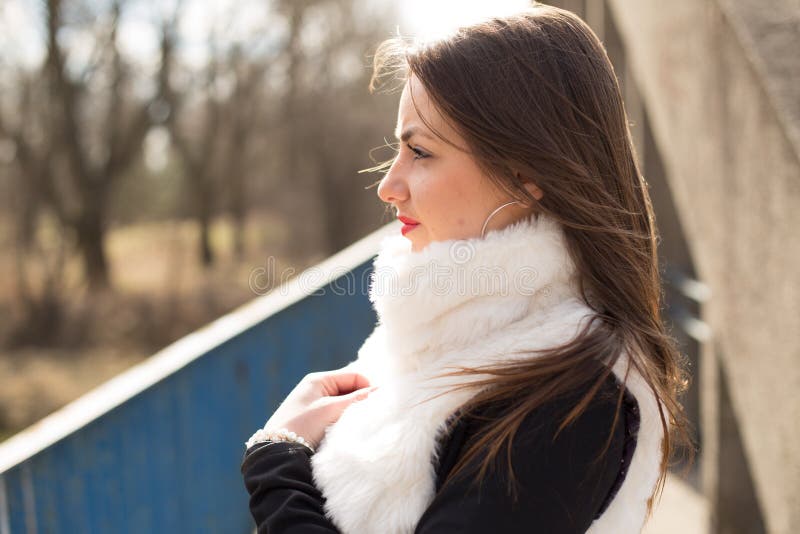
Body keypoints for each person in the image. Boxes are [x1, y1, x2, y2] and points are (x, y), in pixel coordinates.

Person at [241, 4, 691, 533]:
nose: (388, 186)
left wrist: (277, 460)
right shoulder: (445, 332)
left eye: (420, 152)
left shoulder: (577, 397)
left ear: (526, 176)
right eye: (397, 149)